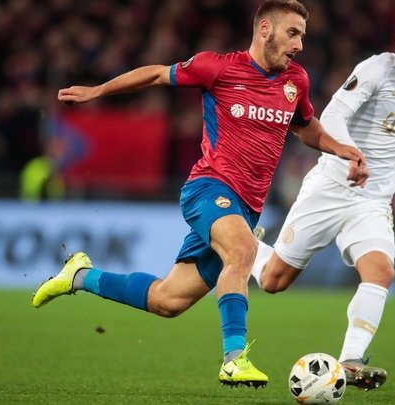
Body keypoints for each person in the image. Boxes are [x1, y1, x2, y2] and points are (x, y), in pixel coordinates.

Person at [32, 0, 368, 389]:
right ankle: (234, 359)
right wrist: (98, 91)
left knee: (167, 300)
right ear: (265, 29)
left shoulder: (297, 81)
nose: (299, 45)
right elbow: (157, 74)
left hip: (247, 207)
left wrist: (341, 149)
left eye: (302, 36)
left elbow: (305, 126)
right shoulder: (218, 67)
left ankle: (80, 276)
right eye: (292, 33)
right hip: (209, 187)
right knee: (243, 251)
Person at [250, 11, 395, 390]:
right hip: (330, 187)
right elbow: (333, 114)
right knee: (274, 281)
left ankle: (351, 359)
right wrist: (352, 154)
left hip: (372, 201)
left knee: (381, 272)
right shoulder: (376, 70)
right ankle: (246, 243)